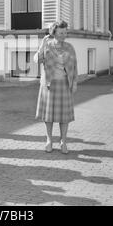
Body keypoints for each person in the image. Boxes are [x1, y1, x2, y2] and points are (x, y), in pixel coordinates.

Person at [34, 21, 78, 154]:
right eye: (60, 33)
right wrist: (42, 44)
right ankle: (49, 140)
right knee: (49, 116)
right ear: (53, 33)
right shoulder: (47, 45)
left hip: (65, 84)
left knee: (64, 116)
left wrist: (74, 82)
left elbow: (75, 66)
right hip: (49, 84)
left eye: (65, 32)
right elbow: (37, 59)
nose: (64, 35)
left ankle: (63, 141)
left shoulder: (70, 47)